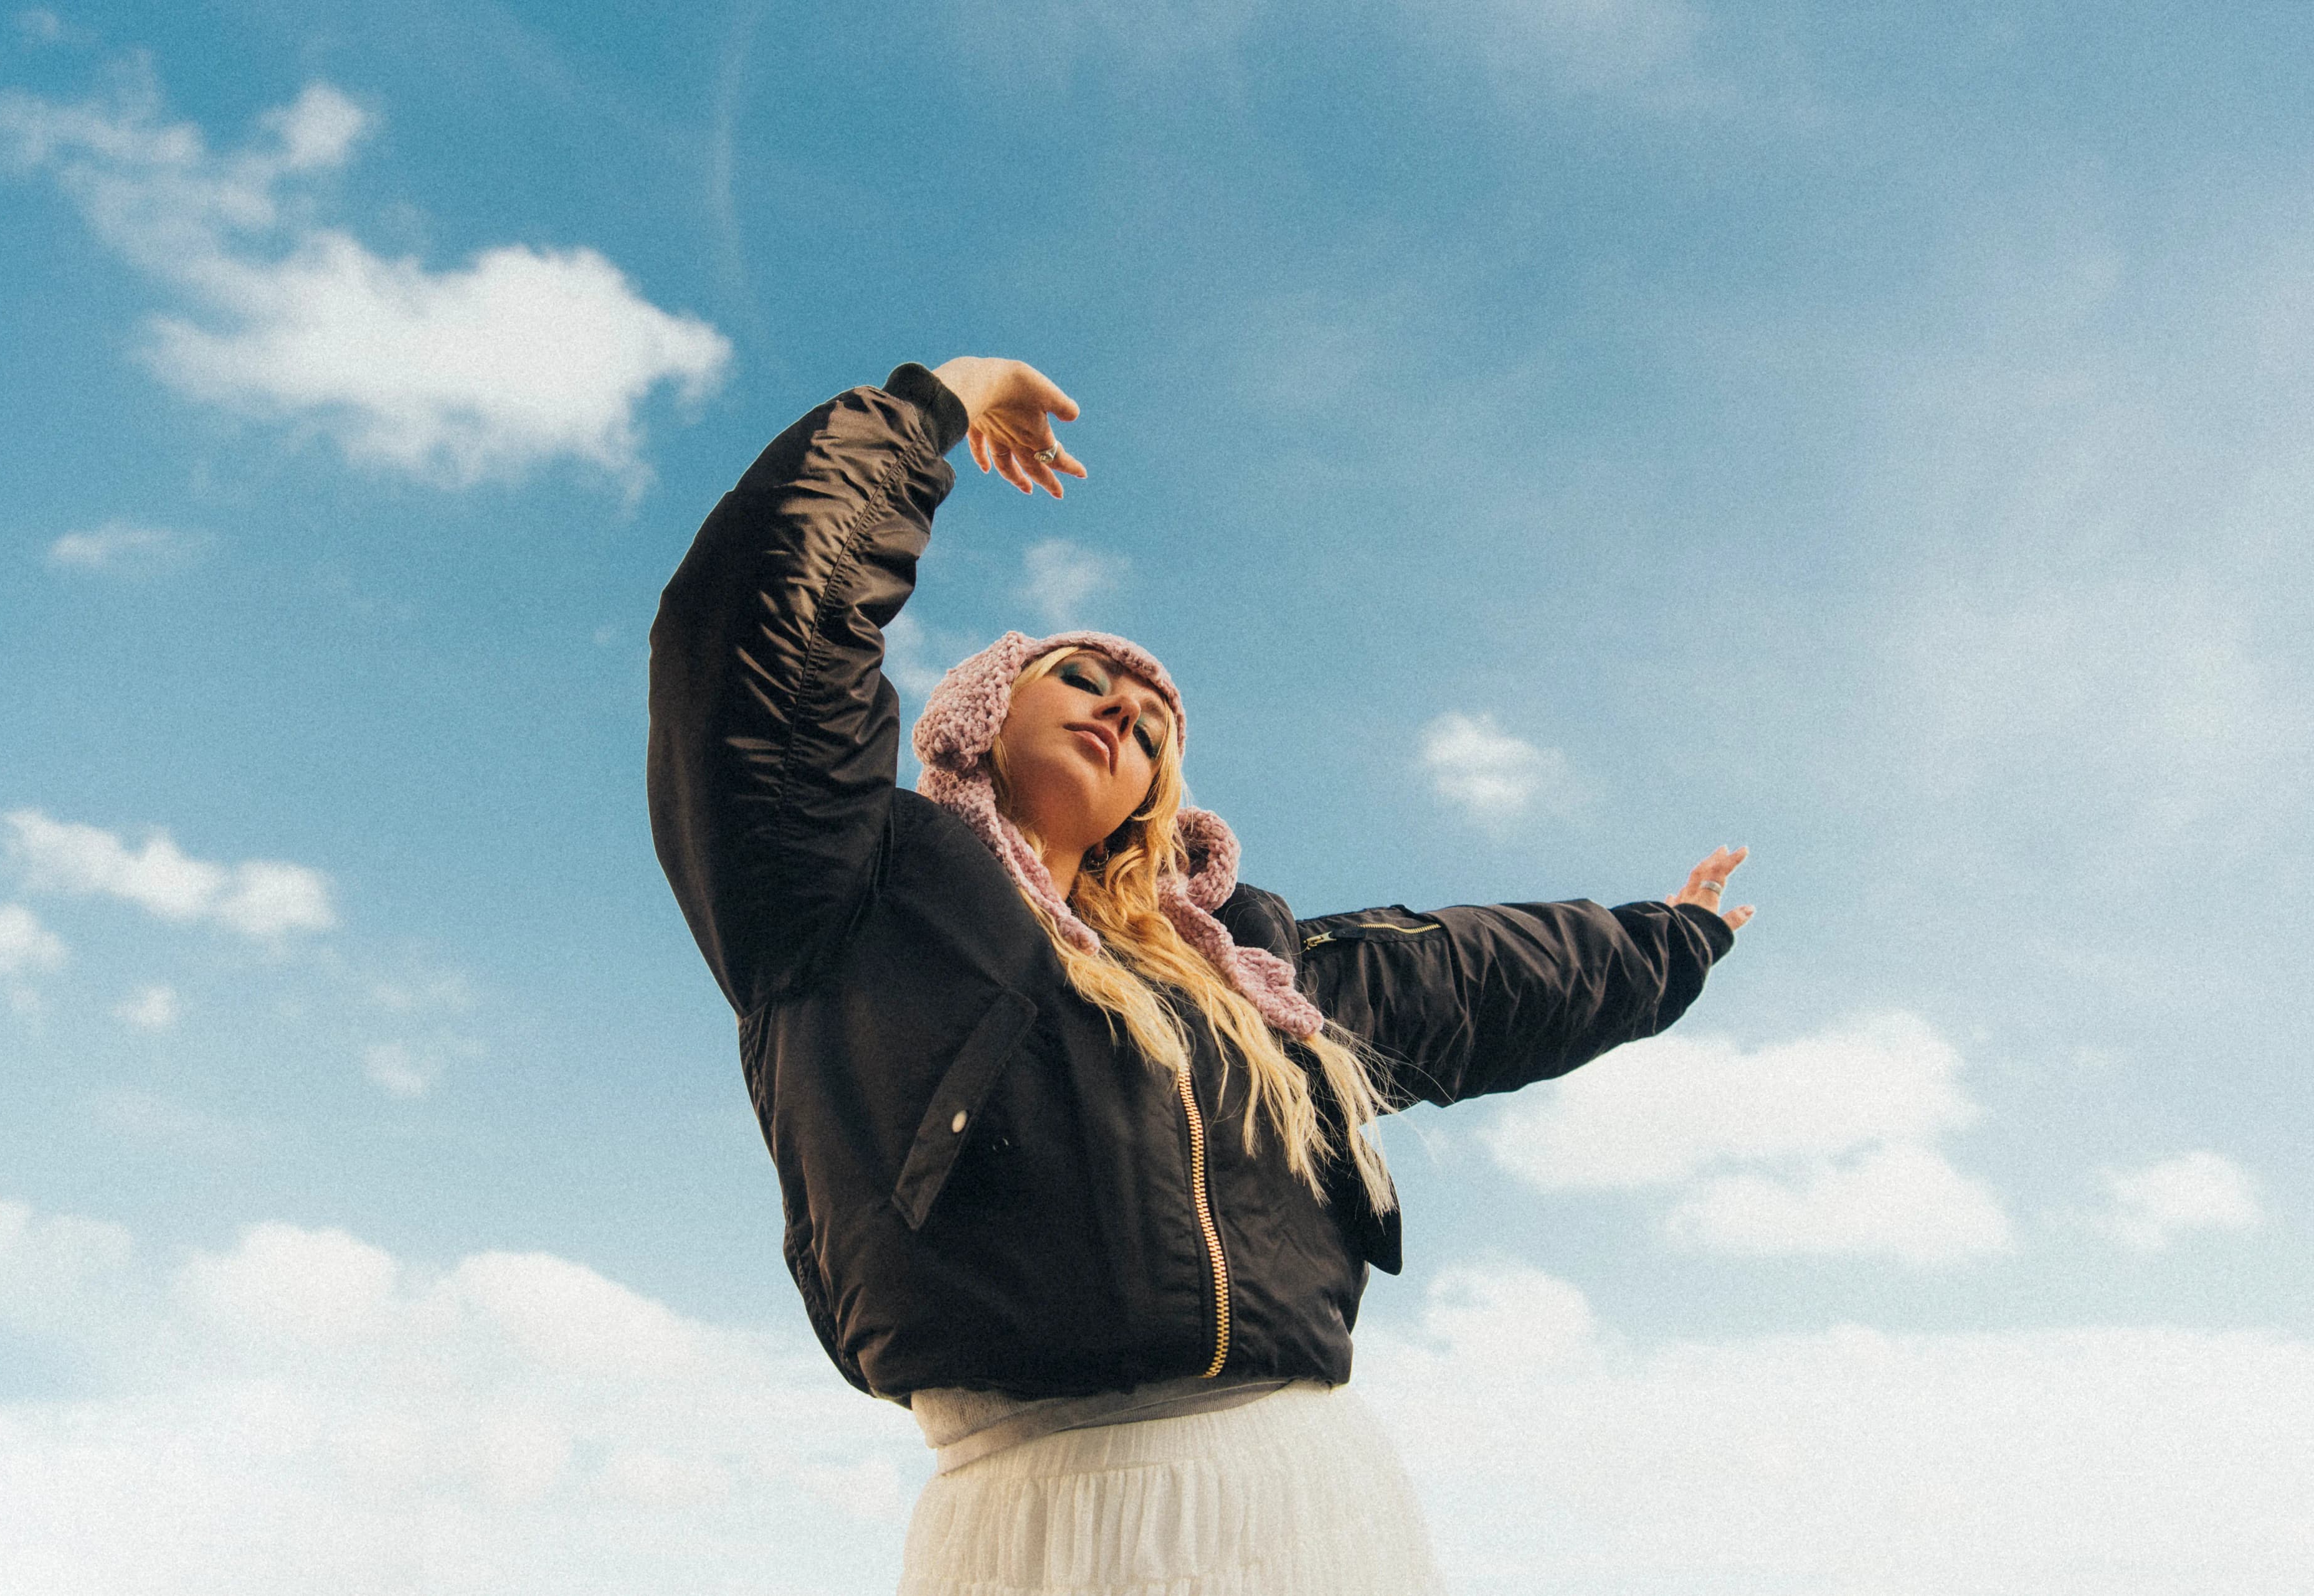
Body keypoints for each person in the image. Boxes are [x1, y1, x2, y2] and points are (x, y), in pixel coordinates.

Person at [648, 356, 1752, 1595]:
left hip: (1314, 1495)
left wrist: (1674, 935)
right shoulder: (844, 883)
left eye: (1154, 726)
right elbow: (763, 635)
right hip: (1041, 1508)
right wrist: (939, 401)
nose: (1123, 711)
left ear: (1152, 796)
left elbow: (1480, 976)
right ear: (983, 713)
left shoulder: (1245, 969)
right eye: (1083, 679)